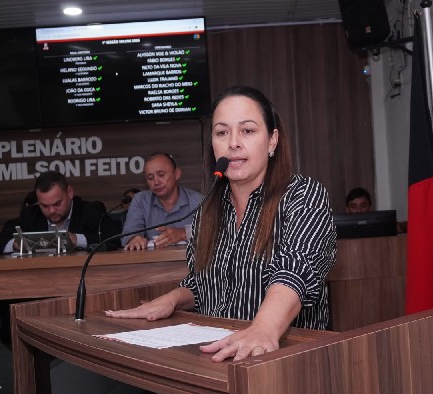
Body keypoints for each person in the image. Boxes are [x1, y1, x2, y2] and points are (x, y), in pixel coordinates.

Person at [106, 85, 336, 362]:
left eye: (247, 130)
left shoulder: (303, 194)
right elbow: (204, 285)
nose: (233, 143)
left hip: (284, 361)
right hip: (216, 355)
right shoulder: (207, 210)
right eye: (222, 132)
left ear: (272, 141)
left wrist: (263, 328)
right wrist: (171, 300)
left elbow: (295, 271)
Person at [0, 170, 118, 254]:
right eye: (44, 205)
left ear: (70, 192)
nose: (52, 210)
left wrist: (76, 239)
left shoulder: (91, 210)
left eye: (57, 204)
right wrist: (16, 244)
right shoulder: (31, 214)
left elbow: (115, 238)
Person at [121, 152, 202, 250]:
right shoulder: (141, 201)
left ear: (177, 174)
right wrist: (133, 238)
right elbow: (129, 232)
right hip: (153, 259)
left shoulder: (198, 200)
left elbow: (212, 232)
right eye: (150, 178)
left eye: (161, 175)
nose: (156, 182)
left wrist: (183, 234)